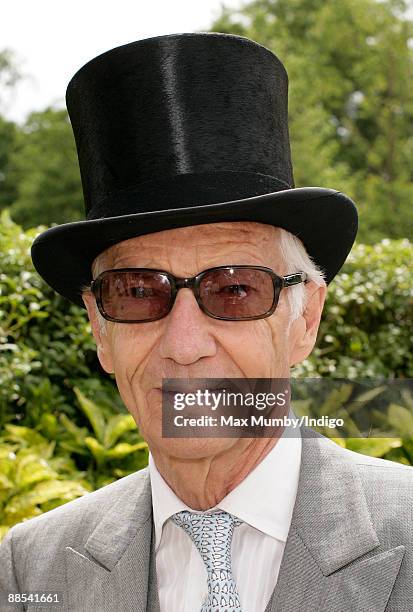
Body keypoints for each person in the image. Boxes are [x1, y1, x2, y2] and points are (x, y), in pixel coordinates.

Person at [1, 32, 412, 612]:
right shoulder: (28, 569)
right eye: (139, 292)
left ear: (306, 319)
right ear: (99, 328)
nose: (185, 345)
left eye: (236, 290)